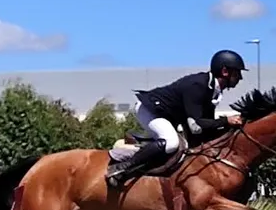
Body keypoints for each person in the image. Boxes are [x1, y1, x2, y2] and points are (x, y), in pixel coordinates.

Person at [105, 49, 249, 187]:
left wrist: (229, 127)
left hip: (167, 115)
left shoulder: (212, 90)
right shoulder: (198, 85)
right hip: (150, 110)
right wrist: (226, 120)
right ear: (224, 71)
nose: (240, 78)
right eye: (237, 73)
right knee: (171, 143)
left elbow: (204, 128)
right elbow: (196, 126)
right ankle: (120, 169)